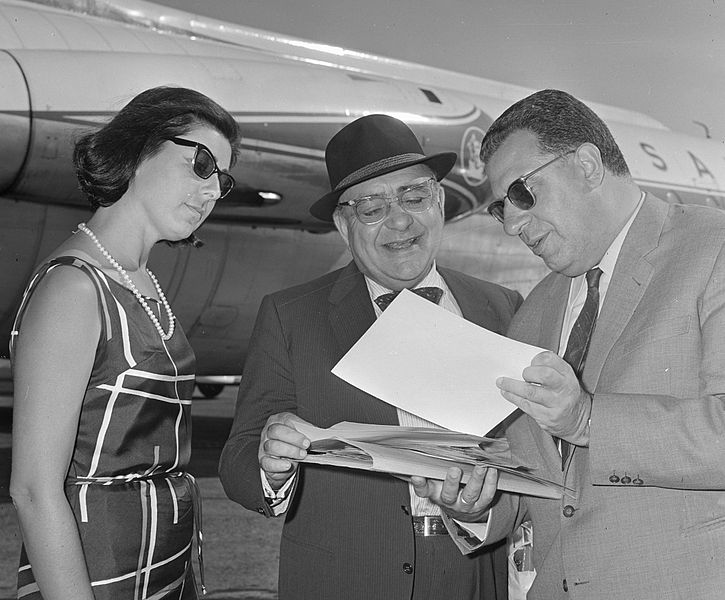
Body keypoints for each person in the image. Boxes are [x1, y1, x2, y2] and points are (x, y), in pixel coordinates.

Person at [416, 88, 725, 599]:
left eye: (521, 193)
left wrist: (588, 421)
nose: (513, 224)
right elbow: (541, 484)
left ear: (586, 164)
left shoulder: (714, 249)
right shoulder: (535, 309)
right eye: (500, 209)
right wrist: (474, 501)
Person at [219, 114, 522, 600]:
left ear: (439, 202)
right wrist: (270, 465)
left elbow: (528, 458)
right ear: (343, 224)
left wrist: (481, 510)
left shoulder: (502, 307)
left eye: (414, 197)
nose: (400, 220)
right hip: (344, 581)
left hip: (473, 580)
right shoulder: (290, 316)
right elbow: (238, 458)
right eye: (371, 208)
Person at [9, 86, 240, 599]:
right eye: (199, 163)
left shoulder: (142, 280)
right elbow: (32, 489)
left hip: (163, 569)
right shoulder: (74, 287)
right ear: (138, 149)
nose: (210, 191)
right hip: (96, 573)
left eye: (222, 179)